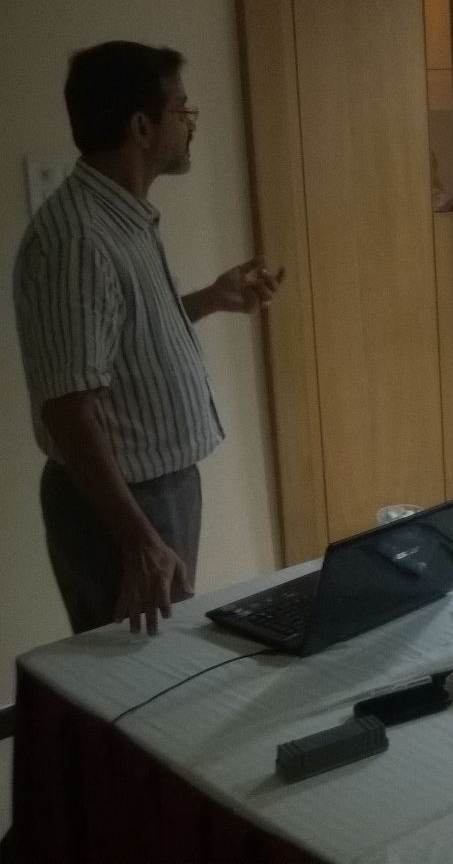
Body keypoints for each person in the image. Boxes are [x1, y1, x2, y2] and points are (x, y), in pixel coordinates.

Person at [12, 42, 283, 637]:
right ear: (141, 126)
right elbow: (68, 408)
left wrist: (211, 298)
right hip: (118, 505)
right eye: (182, 110)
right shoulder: (79, 239)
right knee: (132, 674)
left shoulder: (121, 219)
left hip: (155, 491)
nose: (191, 125)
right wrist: (138, 539)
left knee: (161, 660)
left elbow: (111, 347)